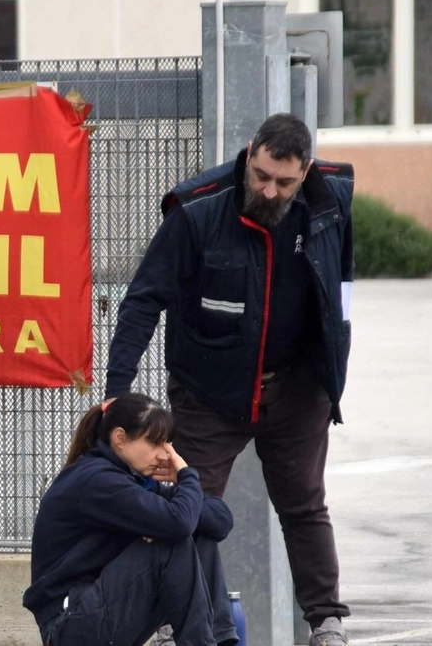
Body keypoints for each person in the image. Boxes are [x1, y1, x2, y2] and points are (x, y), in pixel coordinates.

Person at [104, 113, 355, 646]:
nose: (269, 189)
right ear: (249, 153)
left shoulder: (330, 203)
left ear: (304, 171)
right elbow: (143, 301)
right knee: (184, 508)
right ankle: (180, 624)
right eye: (261, 175)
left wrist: (333, 373)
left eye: (284, 182)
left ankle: (327, 624)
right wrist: (117, 392)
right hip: (208, 392)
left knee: (304, 504)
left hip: (297, 388)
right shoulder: (197, 210)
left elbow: (340, 288)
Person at [23, 393, 239, 646]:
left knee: (198, 534)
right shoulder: (96, 481)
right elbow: (179, 523)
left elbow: (221, 520)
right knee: (171, 541)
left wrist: (183, 486)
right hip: (67, 627)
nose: (165, 455)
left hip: (95, 615)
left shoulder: (131, 481)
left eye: (168, 444)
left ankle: (221, 641)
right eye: (155, 443)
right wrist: (186, 475)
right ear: (120, 438)